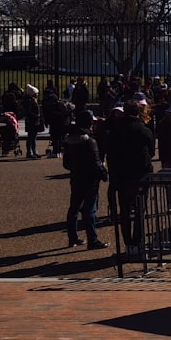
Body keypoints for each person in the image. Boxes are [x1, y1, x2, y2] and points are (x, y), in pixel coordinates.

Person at [105, 102, 154, 254]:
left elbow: (110, 152)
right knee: (140, 211)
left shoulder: (115, 130)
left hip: (121, 175)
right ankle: (138, 242)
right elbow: (151, 152)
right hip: (140, 175)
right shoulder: (143, 129)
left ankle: (128, 244)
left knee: (125, 211)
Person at [62, 110, 108, 250]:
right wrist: (104, 173)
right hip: (90, 179)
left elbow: (66, 164)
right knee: (90, 210)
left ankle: (72, 237)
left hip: (76, 176)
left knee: (74, 208)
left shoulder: (69, 139)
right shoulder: (90, 141)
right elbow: (96, 162)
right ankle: (92, 239)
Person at [22, 85, 43, 159]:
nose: (37, 94)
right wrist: (36, 116)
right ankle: (30, 152)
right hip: (31, 120)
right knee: (31, 137)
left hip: (32, 120)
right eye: (36, 93)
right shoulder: (29, 101)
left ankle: (33, 151)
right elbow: (29, 112)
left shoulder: (31, 100)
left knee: (33, 136)